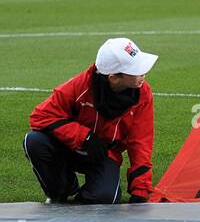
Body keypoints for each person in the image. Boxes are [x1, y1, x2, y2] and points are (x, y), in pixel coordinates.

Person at [24, 37, 158, 204]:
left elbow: (141, 141)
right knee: (34, 141)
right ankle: (62, 190)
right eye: (136, 69)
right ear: (114, 77)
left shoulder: (143, 93)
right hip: (70, 147)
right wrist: (84, 138)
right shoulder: (80, 85)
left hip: (105, 154)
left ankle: (83, 197)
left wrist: (140, 190)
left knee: (105, 199)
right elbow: (40, 116)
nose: (143, 73)